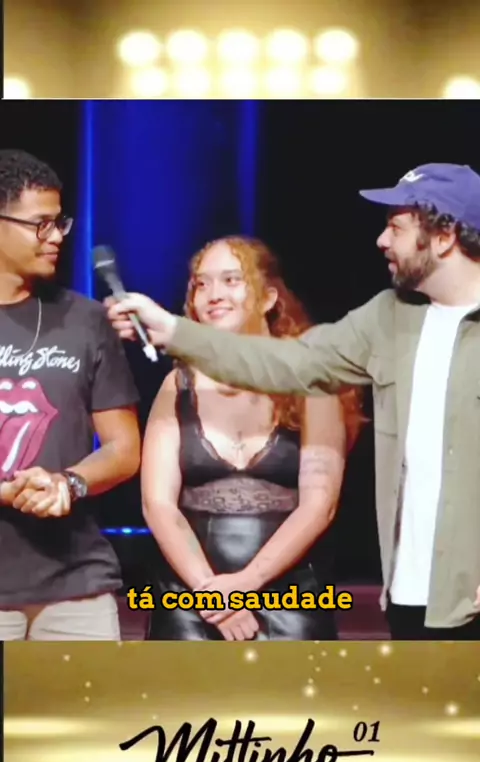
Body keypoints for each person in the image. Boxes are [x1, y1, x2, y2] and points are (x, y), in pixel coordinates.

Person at [108, 163, 480, 641]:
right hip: (413, 594)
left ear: (444, 236)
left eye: (397, 227)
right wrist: (174, 331)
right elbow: (292, 363)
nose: (382, 240)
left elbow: (320, 502)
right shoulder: (389, 317)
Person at [140, 237, 364, 641]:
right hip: (192, 597)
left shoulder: (311, 383)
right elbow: (157, 504)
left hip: (290, 598)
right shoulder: (177, 385)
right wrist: (211, 594)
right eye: (202, 283)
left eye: (231, 280)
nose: (214, 294)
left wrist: (246, 583)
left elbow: (320, 505)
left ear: (269, 298)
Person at [0, 149, 141, 641]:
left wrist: (69, 484)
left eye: (60, 222)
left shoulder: (86, 320)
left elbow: (125, 449)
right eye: (40, 224)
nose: (57, 236)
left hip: (77, 584)